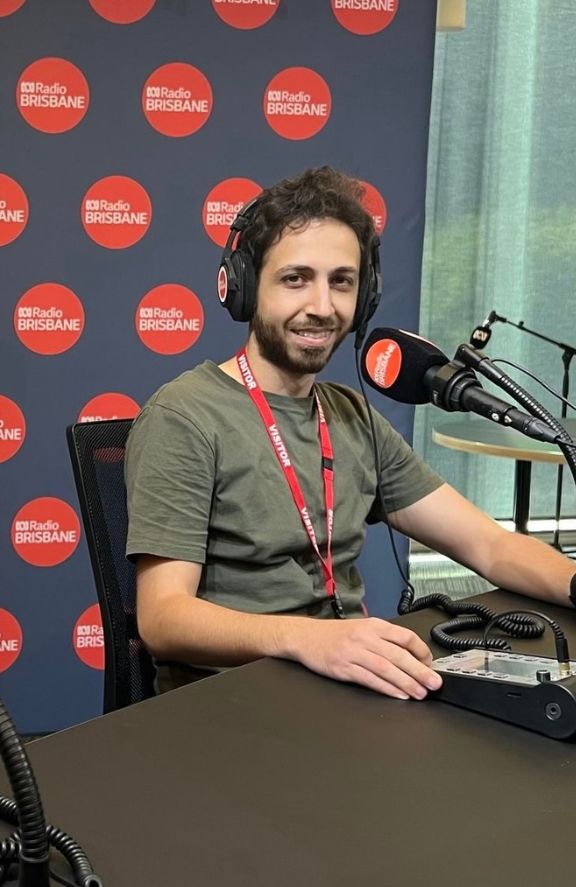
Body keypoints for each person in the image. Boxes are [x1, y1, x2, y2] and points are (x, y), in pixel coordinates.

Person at [125, 165, 576, 700]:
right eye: (295, 279)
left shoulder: (350, 415)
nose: (322, 306)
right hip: (229, 705)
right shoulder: (184, 417)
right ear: (244, 288)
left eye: (342, 282)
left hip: (343, 686)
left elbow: (488, 544)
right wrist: (308, 639)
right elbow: (163, 617)